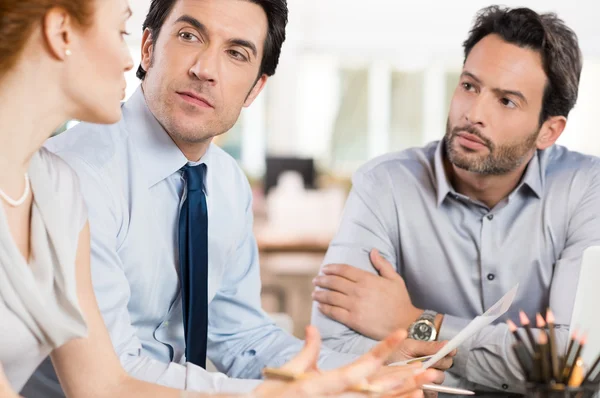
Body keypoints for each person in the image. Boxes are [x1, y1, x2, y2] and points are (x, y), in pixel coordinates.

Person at [0, 0, 440, 397]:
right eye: (190, 36)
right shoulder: (76, 175)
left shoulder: (226, 183)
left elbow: (243, 338)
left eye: (236, 53)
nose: (205, 69)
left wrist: (359, 373)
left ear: (256, 89)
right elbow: (112, 377)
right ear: (149, 48)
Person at [311, 5, 600, 394]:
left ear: (548, 131)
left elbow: (577, 362)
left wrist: (417, 321)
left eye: (506, 101)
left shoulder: (586, 188)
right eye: (469, 86)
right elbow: (334, 350)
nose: (473, 113)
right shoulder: (383, 186)